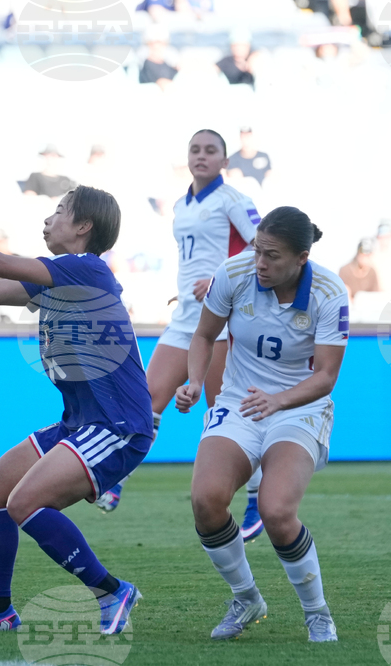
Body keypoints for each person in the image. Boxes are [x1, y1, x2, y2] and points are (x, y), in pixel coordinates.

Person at [0, 186, 150, 635]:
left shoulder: (84, 269)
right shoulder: (62, 276)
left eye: (59, 211)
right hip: (81, 421)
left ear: (84, 227)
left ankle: (110, 590)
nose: (48, 220)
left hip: (115, 424)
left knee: (25, 502)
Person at [177, 206, 346, 643]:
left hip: (299, 407)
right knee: (206, 501)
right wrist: (195, 381)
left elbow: (325, 376)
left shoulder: (330, 292)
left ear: (301, 258)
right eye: (257, 251)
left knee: (275, 511)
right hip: (239, 402)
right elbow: (201, 336)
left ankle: (317, 613)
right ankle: (246, 598)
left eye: (272, 256)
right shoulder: (233, 273)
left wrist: (278, 401)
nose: (260, 263)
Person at [95, 130, 265, 544]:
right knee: (147, 397)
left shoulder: (234, 200)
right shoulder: (180, 205)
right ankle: (116, 479)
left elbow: (264, 244)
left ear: (225, 160)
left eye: (211, 151)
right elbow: (193, 259)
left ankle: (257, 500)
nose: (202, 156)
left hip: (224, 318)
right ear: (187, 157)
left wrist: (219, 278)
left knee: (222, 410)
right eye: (195, 150)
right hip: (187, 316)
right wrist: (186, 285)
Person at [139, 24, 178, 90]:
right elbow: (163, 84)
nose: (158, 46)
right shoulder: (148, 65)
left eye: (162, 43)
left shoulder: (168, 65)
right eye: (155, 42)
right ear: (149, 44)